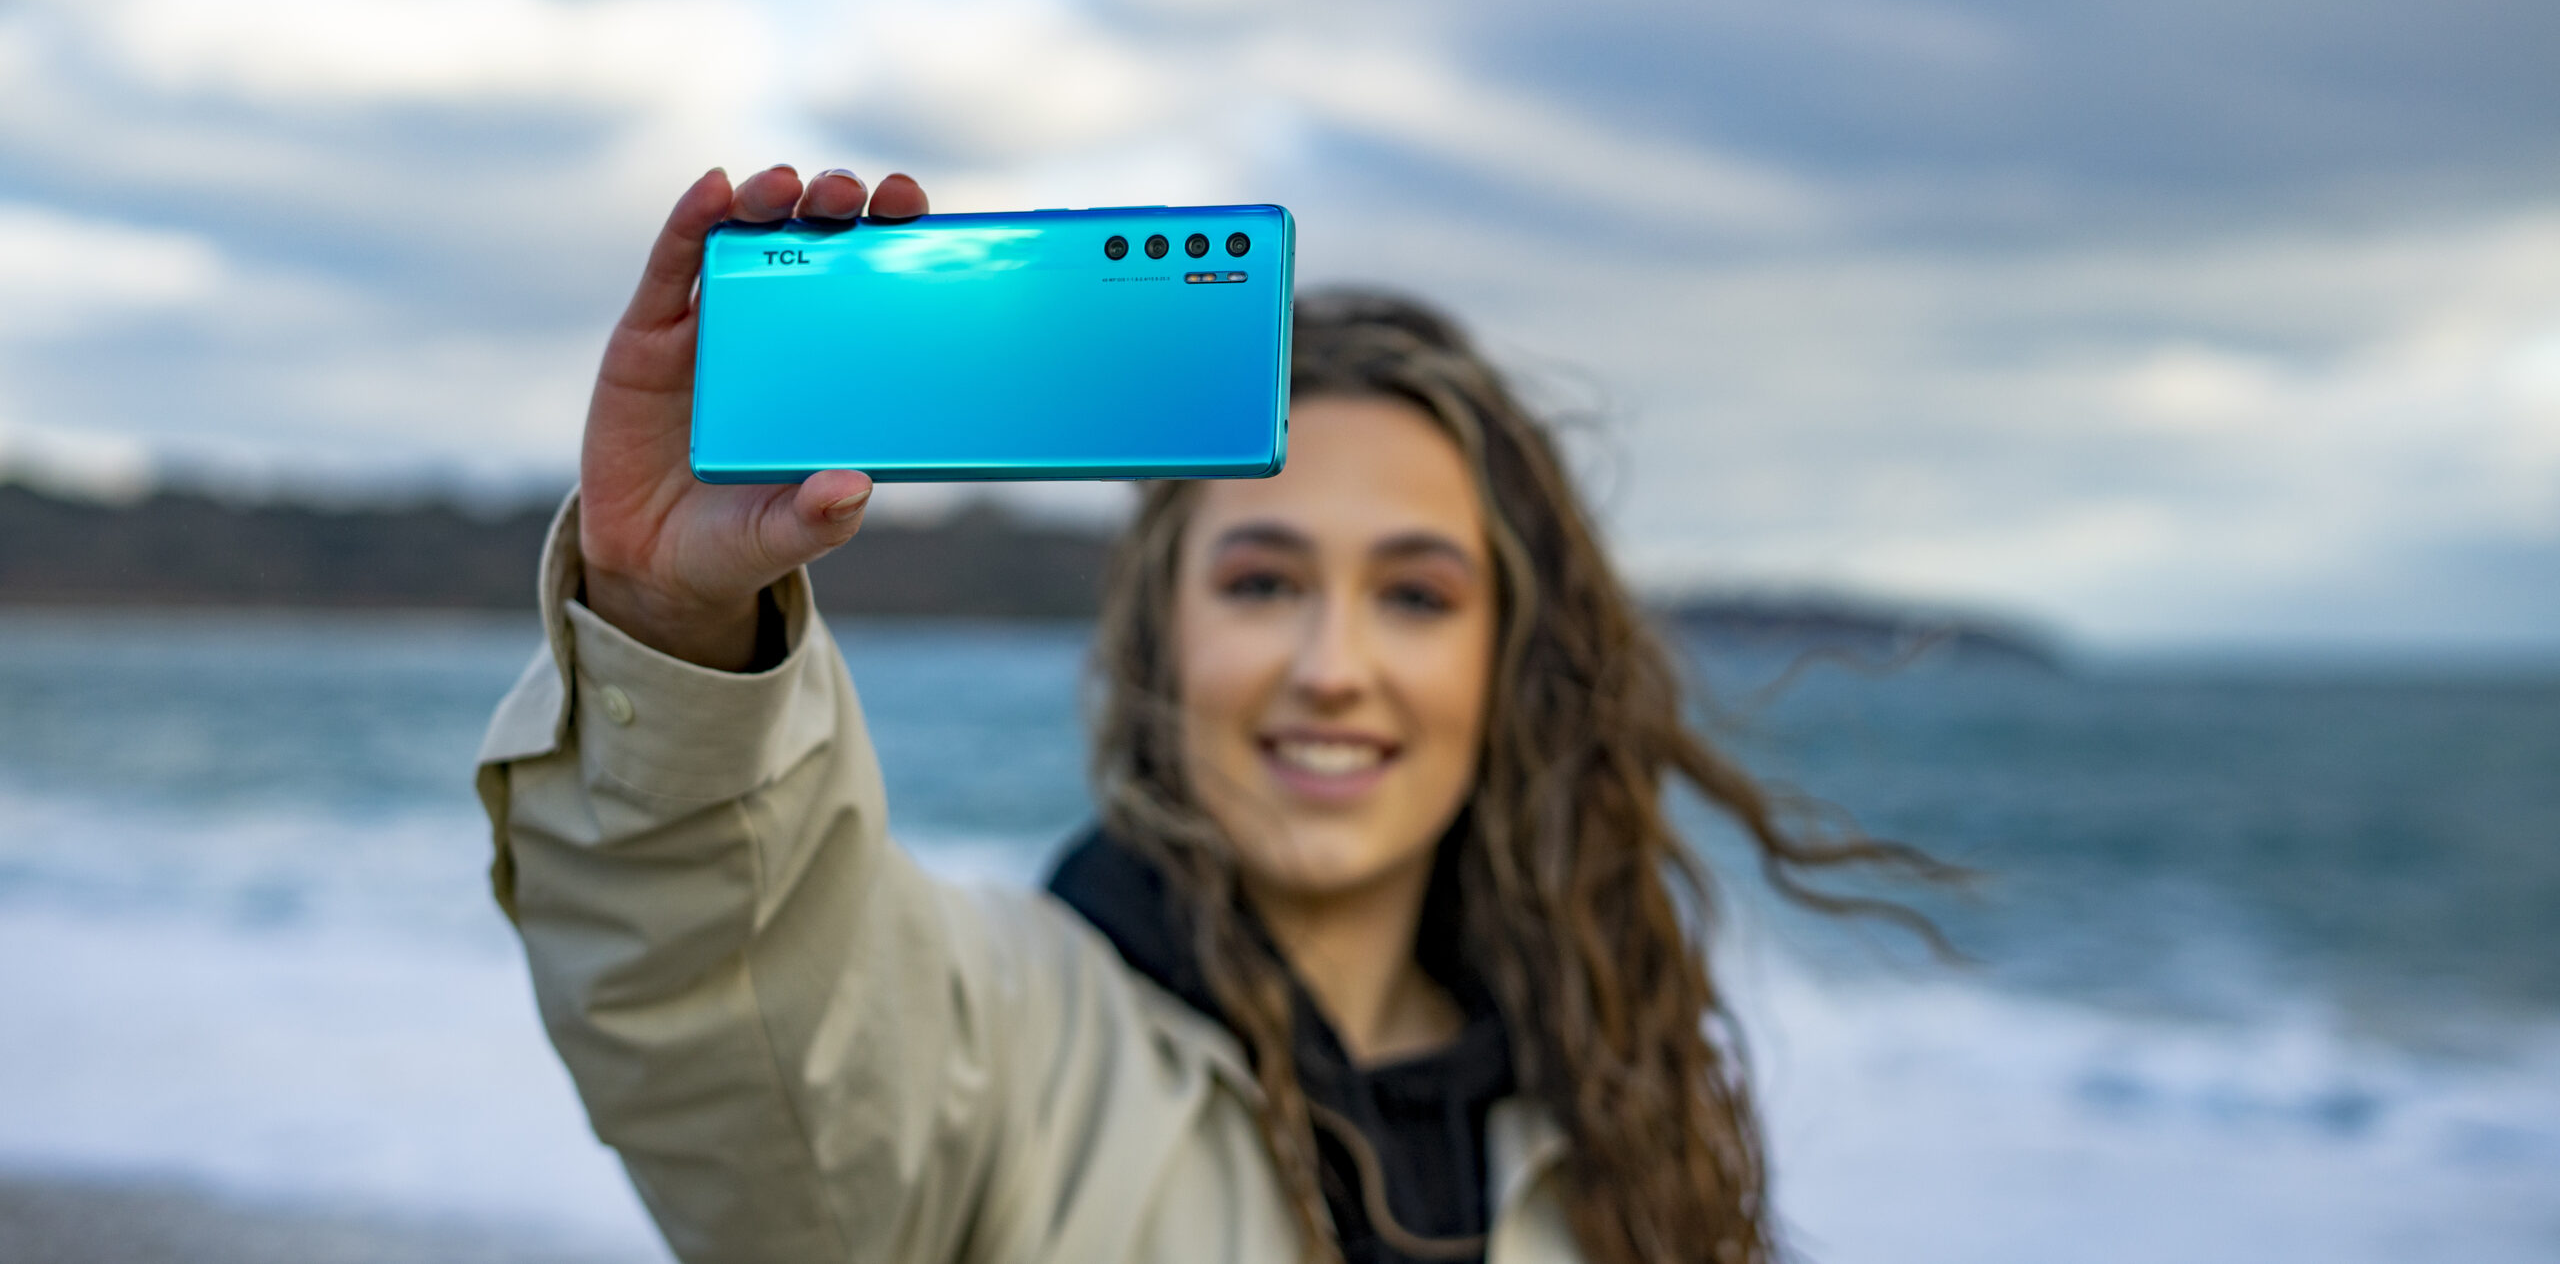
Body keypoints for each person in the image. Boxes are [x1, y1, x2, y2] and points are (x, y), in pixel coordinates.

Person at [477, 165, 1943, 1264]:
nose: (1332, 665)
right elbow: (724, 995)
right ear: (1160, 632)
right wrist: (668, 622)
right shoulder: (997, 1043)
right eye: (1262, 582)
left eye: (1416, 595)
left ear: (1511, 657)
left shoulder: (1614, 1131)